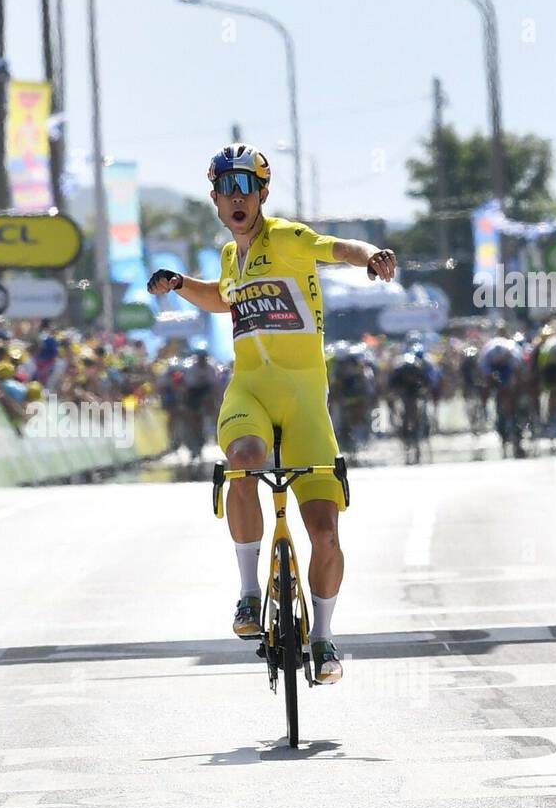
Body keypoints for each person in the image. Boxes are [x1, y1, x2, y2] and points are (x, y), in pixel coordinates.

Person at [146, 143, 397, 684]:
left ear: (262, 193)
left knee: (325, 534)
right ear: (215, 199)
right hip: (251, 394)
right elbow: (222, 297)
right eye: (227, 191)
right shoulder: (229, 256)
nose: (237, 199)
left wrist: (371, 253)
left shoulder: (286, 237)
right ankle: (248, 592)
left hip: (306, 402)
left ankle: (325, 638)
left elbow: (336, 248)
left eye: (247, 189)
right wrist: (180, 285)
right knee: (244, 460)